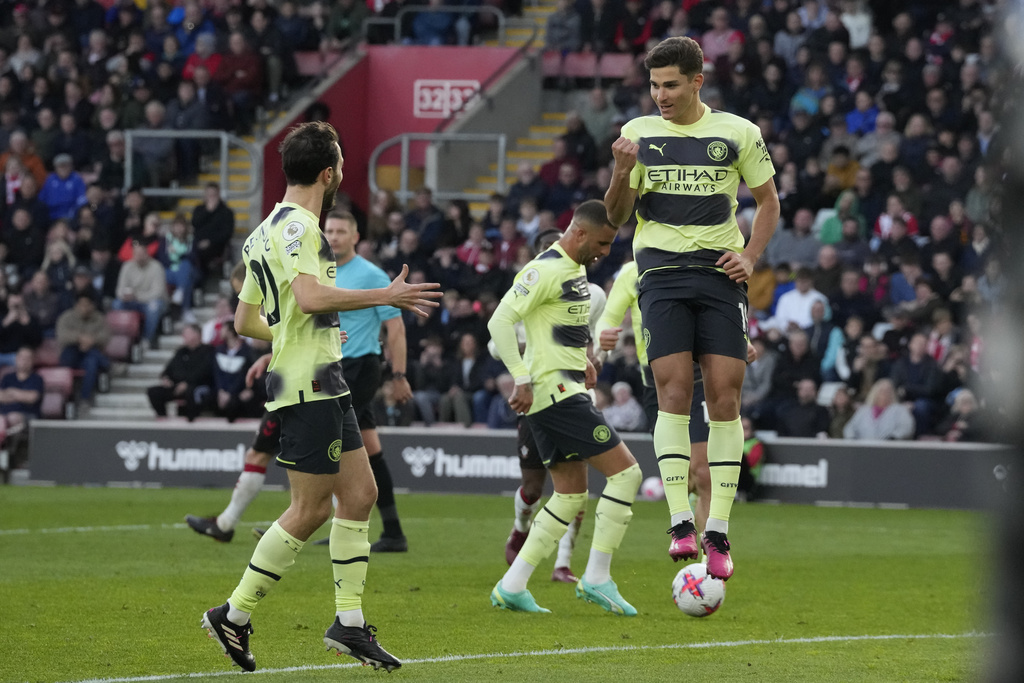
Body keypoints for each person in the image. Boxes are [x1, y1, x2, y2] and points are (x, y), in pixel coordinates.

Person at [199, 122, 440, 673]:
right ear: (329, 173)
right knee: (308, 509)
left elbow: (243, 320)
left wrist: (285, 334)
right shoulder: (303, 229)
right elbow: (308, 298)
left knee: (358, 495)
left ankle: (349, 624)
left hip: (322, 377)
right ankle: (233, 615)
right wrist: (388, 295)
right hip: (305, 382)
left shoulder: (262, 232)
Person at [604, 36, 779, 581]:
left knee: (725, 395)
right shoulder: (637, 136)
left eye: (671, 85)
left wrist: (751, 257)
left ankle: (719, 529)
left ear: (697, 81)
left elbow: (768, 201)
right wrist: (618, 172)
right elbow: (614, 219)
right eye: (654, 85)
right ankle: (681, 520)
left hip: (719, 277)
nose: (661, 95)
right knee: (673, 390)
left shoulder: (738, 132)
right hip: (660, 276)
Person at [488, 199, 642, 616]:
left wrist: (585, 362)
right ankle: (596, 577)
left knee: (571, 495)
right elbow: (499, 321)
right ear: (577, 233)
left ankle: (512, 584)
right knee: (628, 475)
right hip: (553, 394)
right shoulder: (545, 269)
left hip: (565, 386)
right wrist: (520, 375)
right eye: (602, 243)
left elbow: (555, 331)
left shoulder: (575, 270)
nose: (605, 252)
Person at [496, 225, 608, 586]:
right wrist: (538, 358)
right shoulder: (531, 285)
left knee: (577, 488)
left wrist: (593, 357)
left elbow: (590, 340)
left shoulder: (592, 293)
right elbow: (496, 342)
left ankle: (563, 562)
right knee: (533, 486)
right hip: (539, 396)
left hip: (575, 394)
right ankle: (520, 528)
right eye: (546, 247)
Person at [146, 323, 214, 420]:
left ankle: (191, 420)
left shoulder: (208, 351)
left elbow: (204, 372)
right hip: (176, 385)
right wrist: (166, 378)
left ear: (196, 334)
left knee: (191, 393)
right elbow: (168, 369)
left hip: (195, 386)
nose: (183, 336)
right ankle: (163, 417)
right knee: (154, 392)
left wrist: (187, 383)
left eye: (186, 333)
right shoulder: (181, 352)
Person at [54, 293, 111, 404]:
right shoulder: (66, 317)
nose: (84, 308)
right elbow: (62, 336)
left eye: (87, 305)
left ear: (92, 306)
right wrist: (80, 338)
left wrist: (92, 340)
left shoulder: (99, 318)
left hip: (89, 352)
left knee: (92, 361)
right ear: (76, 305)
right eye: (81, 305)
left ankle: (85, 398)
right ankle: (108, 365)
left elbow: (106, 336)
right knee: (89, 353)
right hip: (70, 352)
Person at [842, 378, 915, 440]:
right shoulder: (864, 410)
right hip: (864, 449)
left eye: (887, 391)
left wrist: (893, 437)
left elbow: (906, 427)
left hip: (889, 450)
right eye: (881, 390)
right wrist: (852, 439)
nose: (884, 393)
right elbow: (849, 428)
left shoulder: (900, 410)